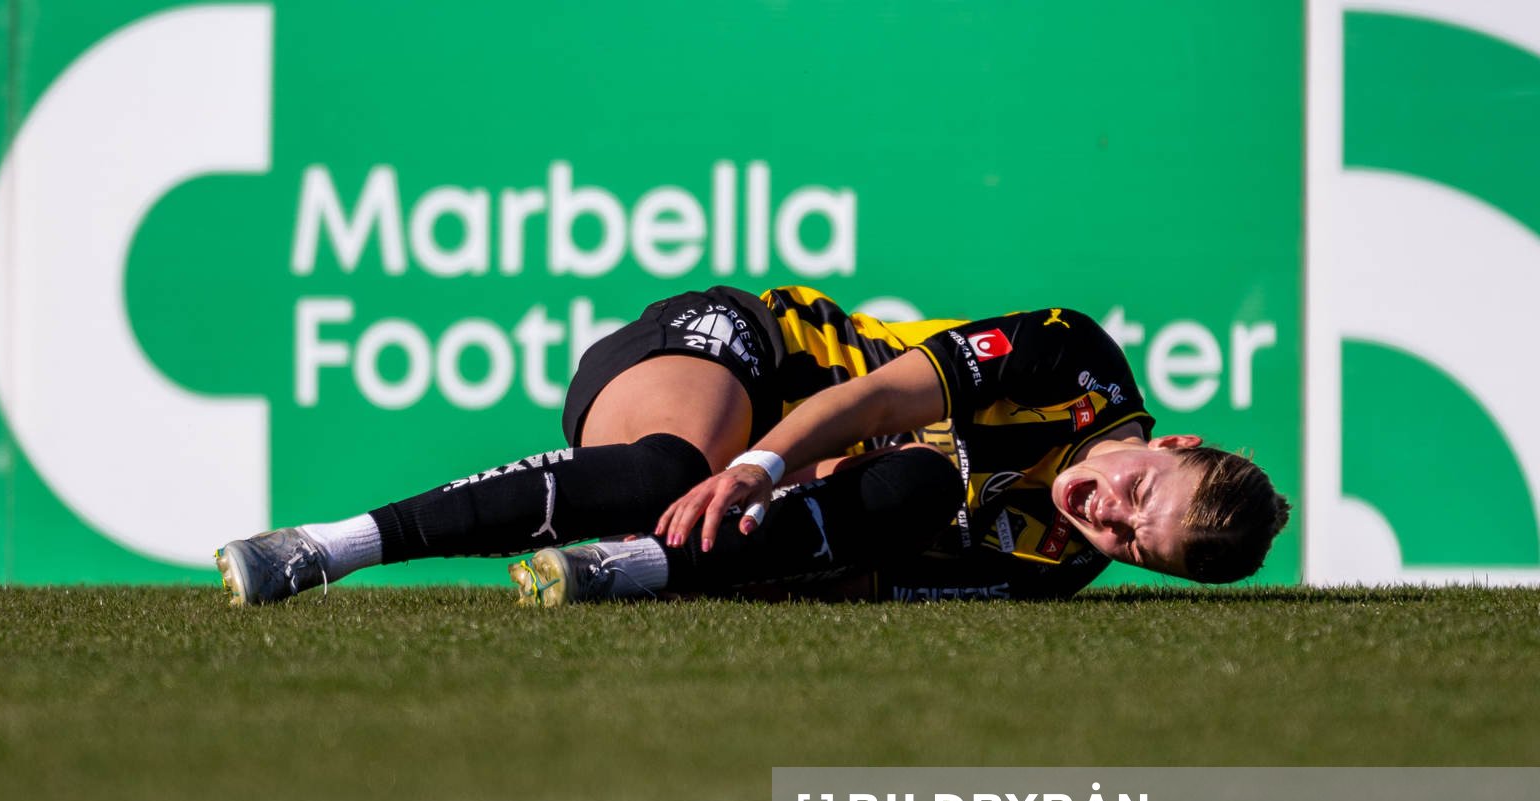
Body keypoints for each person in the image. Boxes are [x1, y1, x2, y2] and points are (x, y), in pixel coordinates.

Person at [214, 286, 1288, 605]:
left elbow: (855, 574)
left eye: (1136, 544)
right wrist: (759, 468)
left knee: (912, 488)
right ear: (1173, 438)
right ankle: (327, 545)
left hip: (790, 481)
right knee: (668, 472)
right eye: (1140, 489)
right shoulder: (1074, 363)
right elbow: (874, 398)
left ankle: (633, 570)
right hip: (759, 352)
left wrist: (731, 551)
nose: (1109, 516)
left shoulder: (1051, 566)